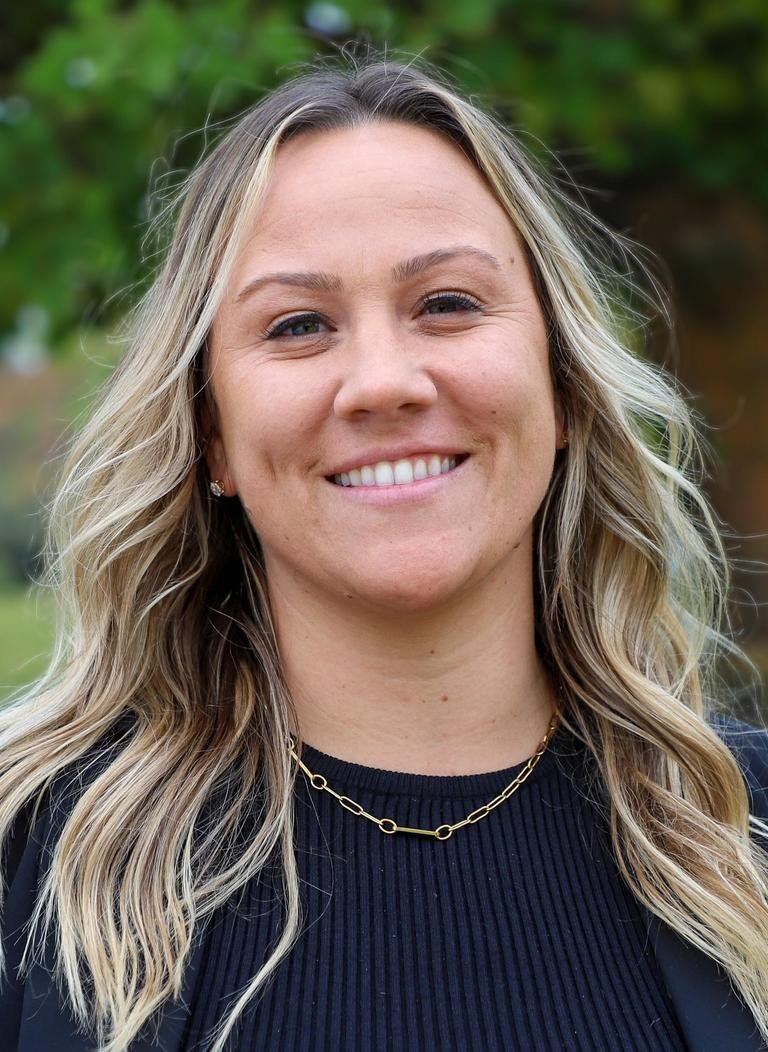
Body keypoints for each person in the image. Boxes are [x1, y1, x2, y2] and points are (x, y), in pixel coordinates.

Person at [1, 48, 768, 1052]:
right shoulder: (35, 861)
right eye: (299, 323)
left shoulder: (745, 839)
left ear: (565, 384)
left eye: (447, 302)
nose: (383, 382)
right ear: (214, 436)